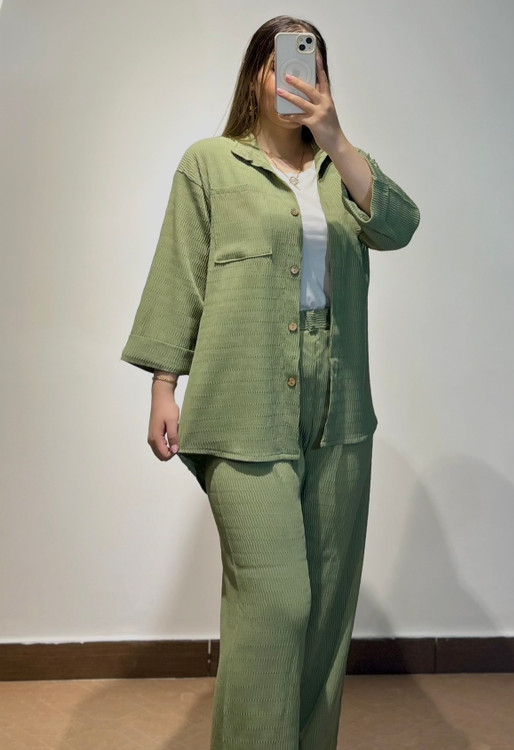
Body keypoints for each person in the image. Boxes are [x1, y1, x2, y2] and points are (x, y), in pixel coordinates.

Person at [121, 14, 420, 750]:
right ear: (255, 76)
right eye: (280, 63)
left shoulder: (343, 170)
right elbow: (180, 272)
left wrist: (336, 139)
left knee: (325, 612)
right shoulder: (209, 164)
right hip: (244, 398)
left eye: (310, 65)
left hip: (339, 410)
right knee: (277, 601)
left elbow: (401, 226)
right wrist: (163, 384)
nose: (294, 77)